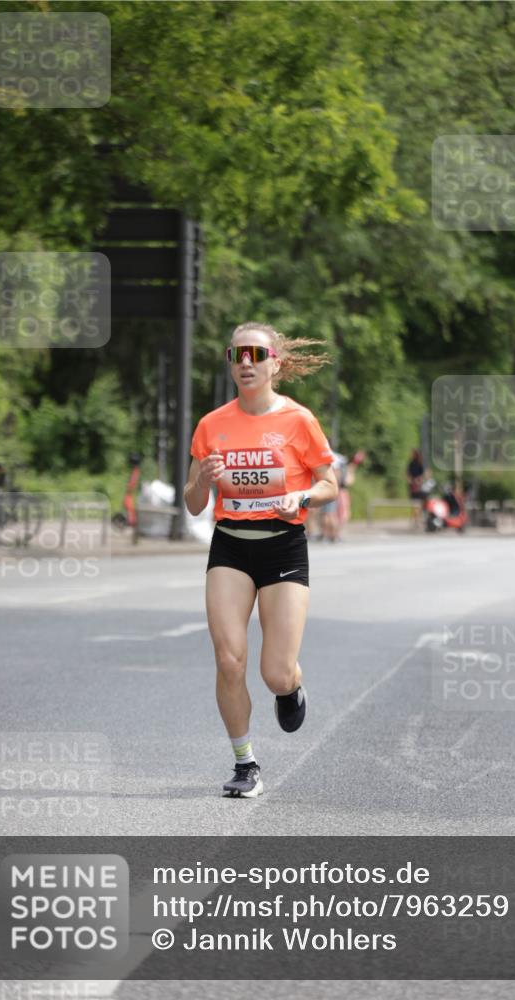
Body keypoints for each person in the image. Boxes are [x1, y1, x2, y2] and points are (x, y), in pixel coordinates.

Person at [183, 322, 338, 798]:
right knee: (229, 659)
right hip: (230, 545)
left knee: (274, 671)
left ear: (275, 362)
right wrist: (204, 481)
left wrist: (303, 495)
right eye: (237, 354)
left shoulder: (299, 421)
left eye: (255, 353)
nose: (245, 362)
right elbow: (192, 503)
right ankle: (245, 763)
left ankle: (291, 687)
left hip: (283, 546)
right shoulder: (212, 425)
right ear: (230, 362)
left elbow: (330, 484)